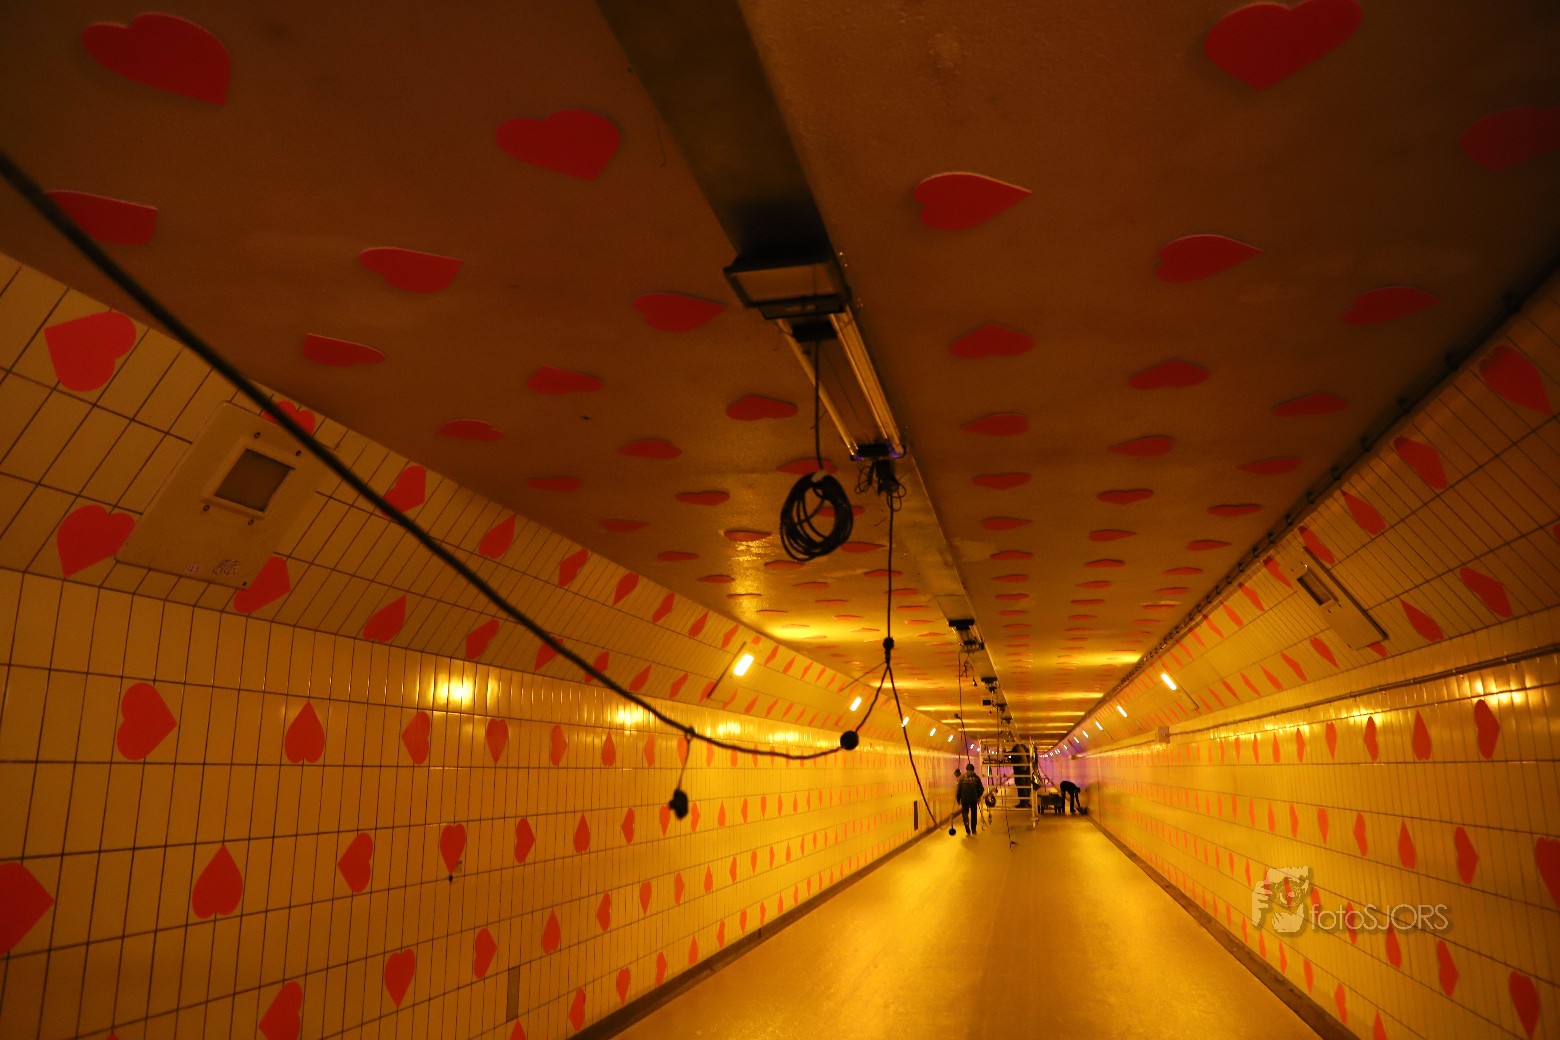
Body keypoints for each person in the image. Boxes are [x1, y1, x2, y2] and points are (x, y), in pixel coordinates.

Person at [956, 764, 985, 835]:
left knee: (965, 812)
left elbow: (959, 789)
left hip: (964, 798)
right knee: (974, 813)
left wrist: (958, 799)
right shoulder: (976, 778)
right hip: (973, 798)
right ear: (973, 769)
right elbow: (981, 789)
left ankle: (966, 824)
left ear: (966, 769)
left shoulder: (962, 778)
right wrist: (977, 796)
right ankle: (973, 829)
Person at [1010, 743, 1031, 808]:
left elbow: (1014, 760)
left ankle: (1023, 803)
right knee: (1027, 787)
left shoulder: (1015, 749)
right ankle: (1027, 802)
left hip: (1019, 771)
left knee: (1021, 787)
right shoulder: (1026, 749)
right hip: (1027, 771)